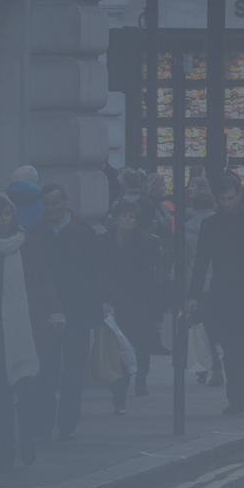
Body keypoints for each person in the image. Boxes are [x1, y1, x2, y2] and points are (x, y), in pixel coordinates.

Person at [0, 195, 55, 470]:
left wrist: (54, 310)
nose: (4, 219)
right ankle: (6, 450)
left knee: (27, 392)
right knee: (0, 396)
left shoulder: (28, 242)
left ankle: (26, 440)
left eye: (7, 213)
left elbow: (43, 277)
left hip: (24, 326)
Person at [187, 174, 244, 416]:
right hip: (223, 296)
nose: (226, 203)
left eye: (231, 198)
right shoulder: (211, 224)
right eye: (223, 199)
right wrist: (193, 294)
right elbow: (201, 262)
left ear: (239, 196)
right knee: (231, 351)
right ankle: (237, 399)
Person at [32, 183, 104, 440]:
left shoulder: (83, 231)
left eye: (55, 203)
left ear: (65, 201)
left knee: (74, 371)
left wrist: (99, 304)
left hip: (78, 311)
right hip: (47, 312)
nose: (51, 209)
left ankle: (67, 425)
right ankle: (44, 424)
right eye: (46, 204)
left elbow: (97, 270)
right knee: (47, 371)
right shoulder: (36, 232)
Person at [100, 198, 167, 409]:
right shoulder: (104, 241)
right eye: (124, 216)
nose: (128, 220)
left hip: (138, 302)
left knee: (140, 344)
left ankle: (139, 380)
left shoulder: (143, 243)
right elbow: (98, 272)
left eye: (132, 217)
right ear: (116, 218)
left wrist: (156, 312)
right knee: (119, 347)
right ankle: (119, 392)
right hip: (114, 301)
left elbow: (150, 280)